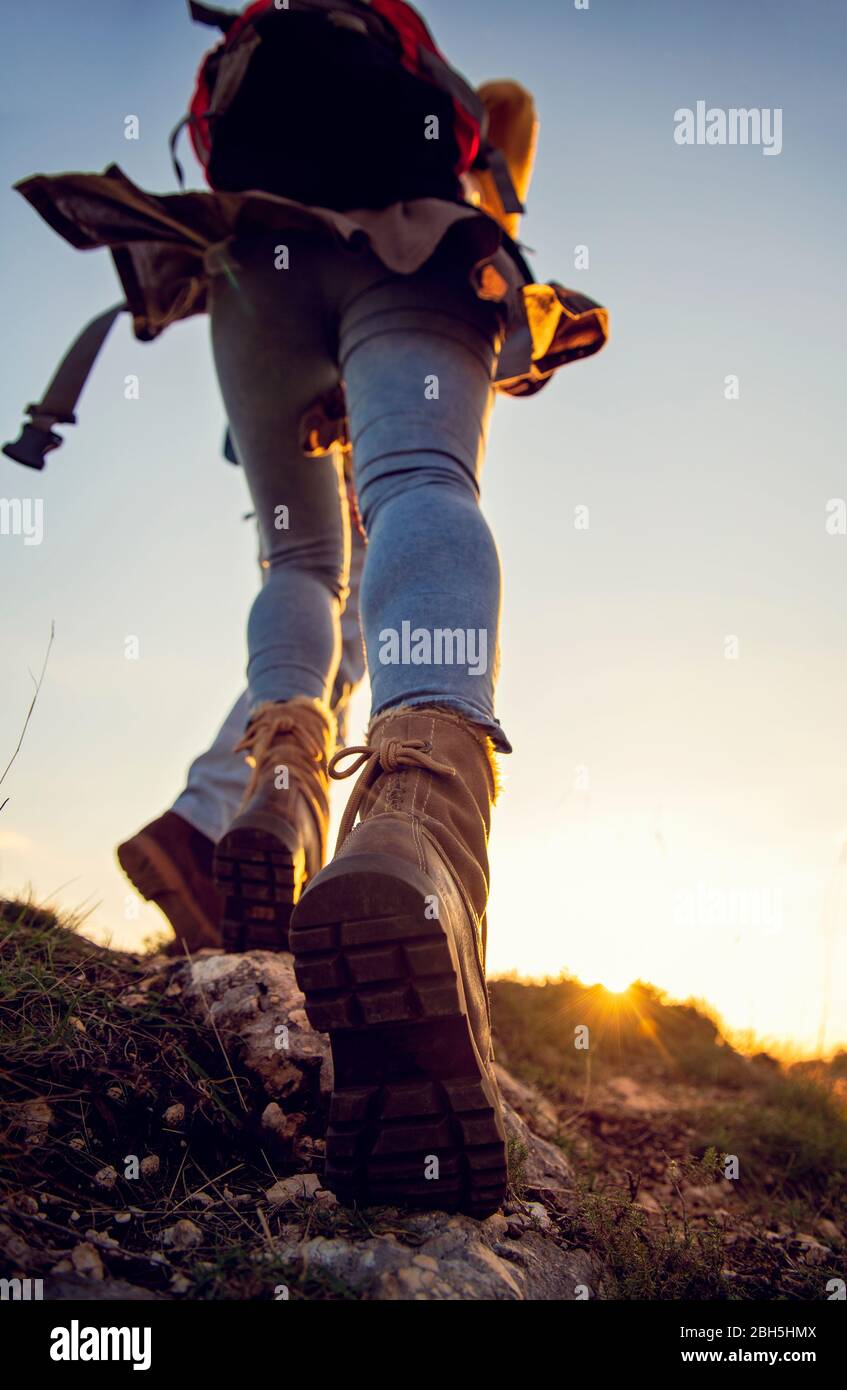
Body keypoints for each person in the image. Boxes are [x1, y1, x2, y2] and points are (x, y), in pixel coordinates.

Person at [11, 0, 608, 1214]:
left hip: (253, 272)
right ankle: (422, 827)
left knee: (297, 569)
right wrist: (493, 194)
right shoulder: (461, 98)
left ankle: (278, 796)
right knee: (420, 483)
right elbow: (506, 144)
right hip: (415, 245)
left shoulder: (268, 51)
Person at [117, 519, 366, 954]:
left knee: (302, 654)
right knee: (326, 649)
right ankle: (205, 831)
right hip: (347, 477)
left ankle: (223, 839)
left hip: (280, 478)